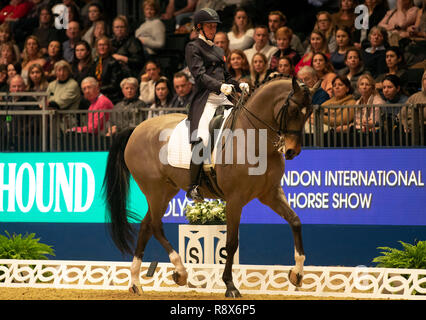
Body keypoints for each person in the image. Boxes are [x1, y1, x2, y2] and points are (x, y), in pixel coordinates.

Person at [185, 8, 247, 201]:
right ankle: (193, 185)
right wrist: (221, 86)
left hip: (224, 96)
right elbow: (200, 76)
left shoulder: (219, 50)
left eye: (214, 26)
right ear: (199, 28)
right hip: (206, 99)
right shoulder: (193, 47)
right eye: (209, 26)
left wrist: (238, 84)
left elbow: (227, 76)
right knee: (202, 136)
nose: (213, 29)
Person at [93, 35, 124, 104]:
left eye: (104, 45)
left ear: (109, 47)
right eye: (100, 45)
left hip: (111, 97)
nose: (102, 47)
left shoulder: (113, 62)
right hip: (98, 95)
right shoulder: (96, 62)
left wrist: (98, 89)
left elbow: (115, 84)